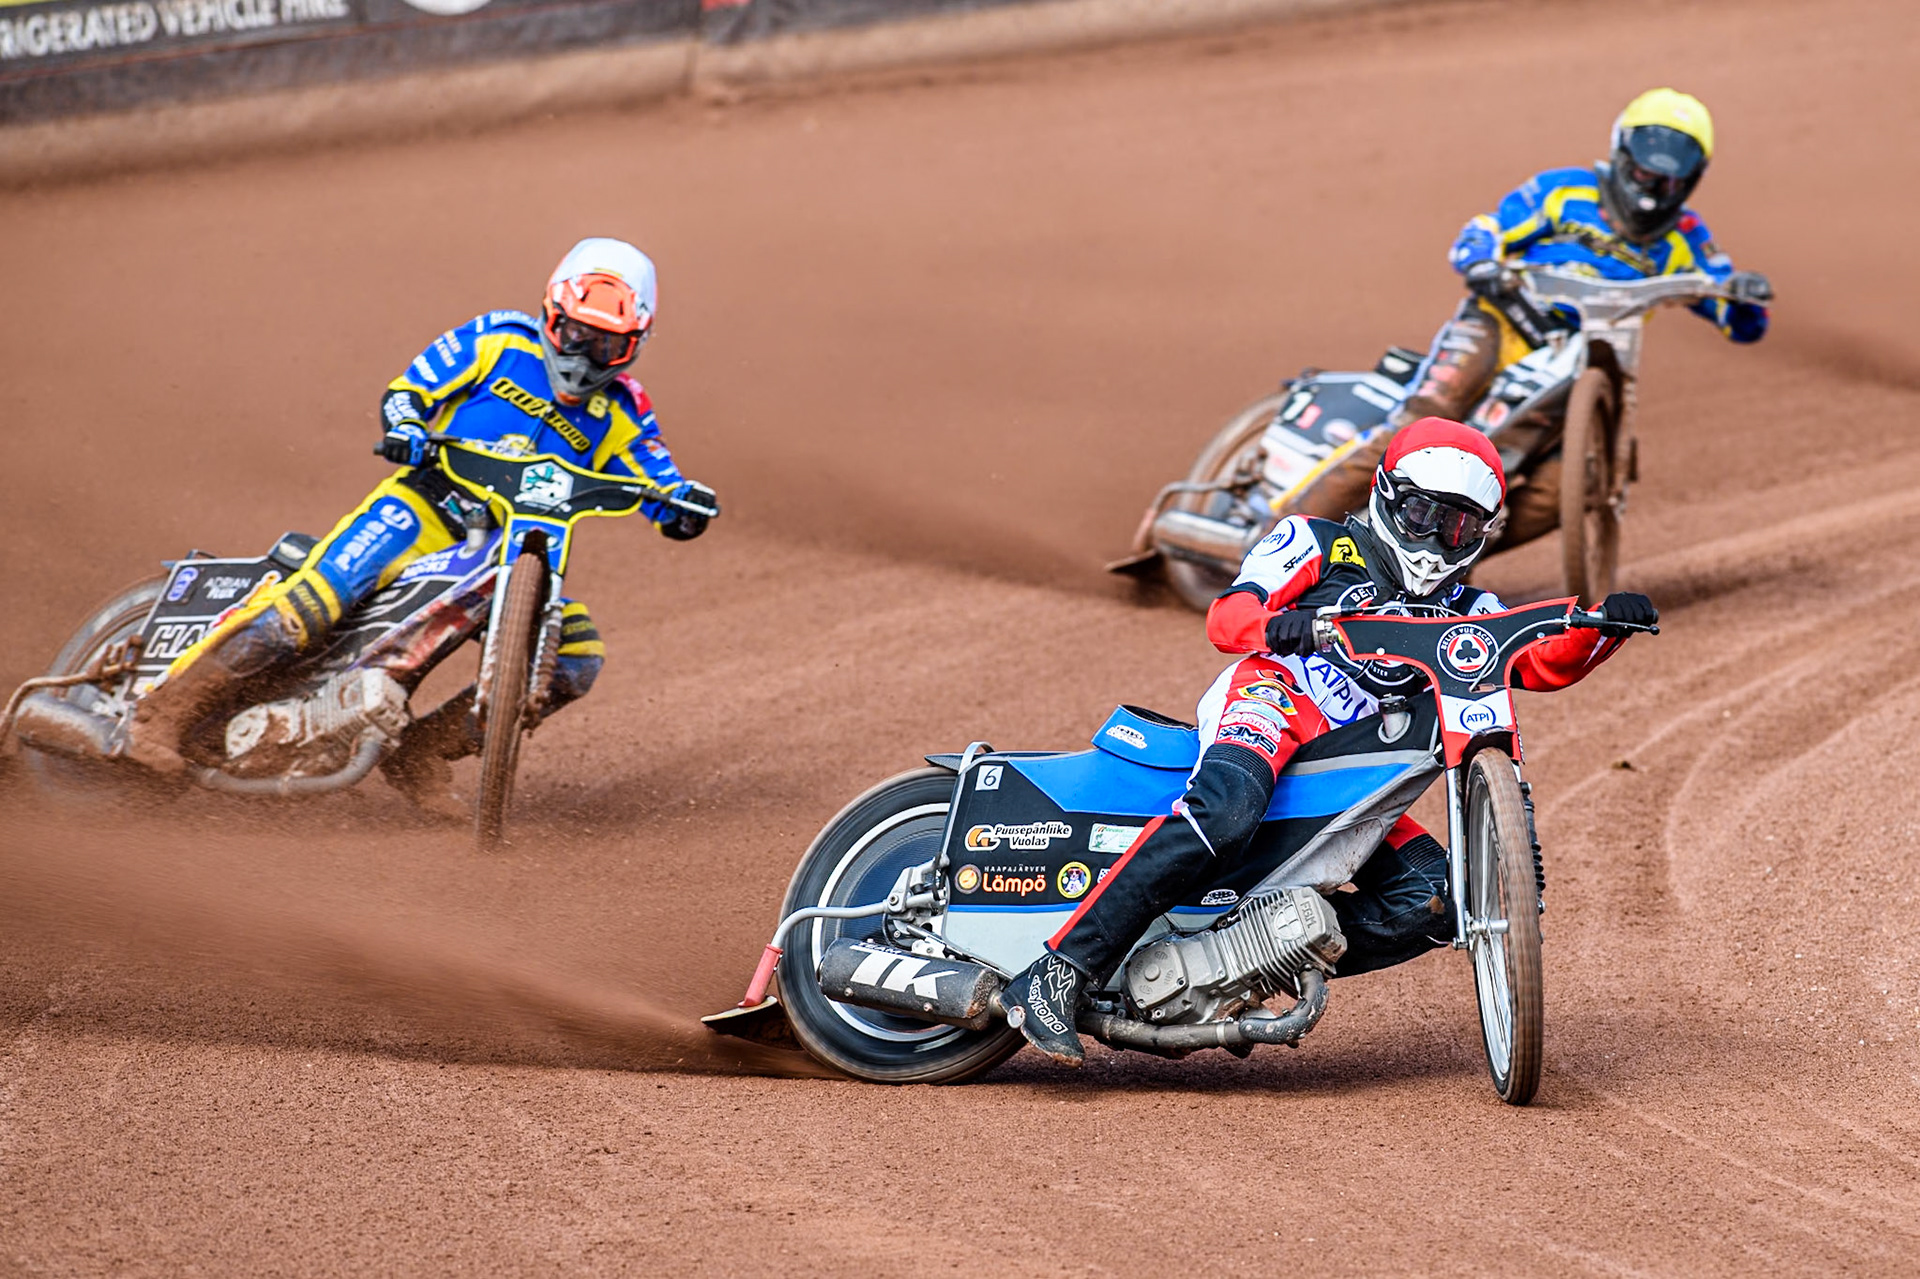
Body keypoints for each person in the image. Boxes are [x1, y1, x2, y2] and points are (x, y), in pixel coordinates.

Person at [1002, 417, 1656, 1065]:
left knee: (1440, 897)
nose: (1433, 538)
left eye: (1454, 525)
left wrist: (1603, 629)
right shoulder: (1315, 541)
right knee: (1226, 812)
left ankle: (1236, 966)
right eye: (1423, 513)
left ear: (1478, 536)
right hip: (1275, 699)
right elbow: (1228, 616)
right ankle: (1057, 972)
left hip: (1353, 769)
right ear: (1389, 495)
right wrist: (1286, 623)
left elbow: (1538, 661)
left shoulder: (1469, 609)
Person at [124, 238, 716, 811]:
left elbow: (661, 483)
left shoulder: (625, 409)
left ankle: (419, 752)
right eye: (576, 334)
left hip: (514, 554)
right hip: (423, 509)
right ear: (550, 312)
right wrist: (406, 423)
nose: (584, 356)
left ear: (634, 345)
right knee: (310, 607)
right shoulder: (498, 339)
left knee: (575, 659)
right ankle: (161, 714)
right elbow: (411, 390)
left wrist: (683, 506)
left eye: (606, 346)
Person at [1281, 87, 1772, 544]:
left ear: (1691, 180)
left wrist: (1745, 296)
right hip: (1502, 324)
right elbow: (1489, 228)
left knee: (1574, 483)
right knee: (1425, 423)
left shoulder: (1687, 239)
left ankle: (1441, 562)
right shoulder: (1566, 191)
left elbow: (1740, 320)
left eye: (1669, 178)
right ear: (1623, 154)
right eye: (1645, 171)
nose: (1653, 186)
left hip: (1580, 366)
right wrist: (1480, 258)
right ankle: (1281, 537)